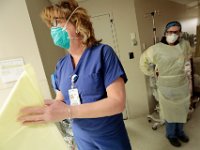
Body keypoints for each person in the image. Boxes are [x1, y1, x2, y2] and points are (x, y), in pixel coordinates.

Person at [18, 0, 132, 149]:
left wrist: (68, 111)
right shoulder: (61, 65)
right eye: (52, 25)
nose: (54, 29)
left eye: (58, 23)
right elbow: (61, 100)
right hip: (82, 136)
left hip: (109, 135)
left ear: (77, 24)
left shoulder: (103, 53)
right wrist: (47, 108)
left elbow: (118, 103)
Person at [140, 21, 192, 147]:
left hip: (182, 84)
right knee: (170, 113)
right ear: (165, 33)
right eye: (170, 32)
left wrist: (187, 71)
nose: (173, 34)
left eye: (176, 32)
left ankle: (180, 132)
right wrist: (152, 72)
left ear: (180, 33)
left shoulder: (184, 45)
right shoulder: (156, 49)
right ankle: (171, 135)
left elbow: (187, 58)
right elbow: (143, 62)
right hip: (166, 85)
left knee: (182, 111)